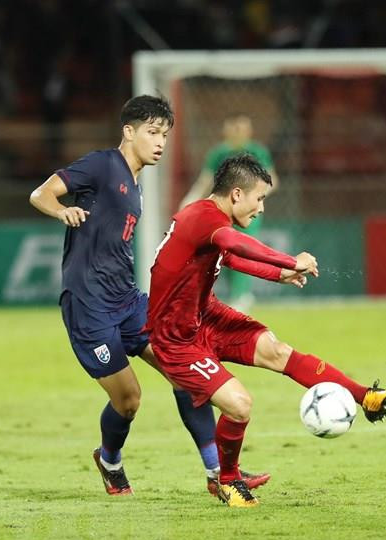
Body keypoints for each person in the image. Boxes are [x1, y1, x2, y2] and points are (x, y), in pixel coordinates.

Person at [29, 95, 269, 497]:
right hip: (89, 306)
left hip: (128, 300)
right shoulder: (103, 165)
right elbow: (41, 194)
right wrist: (62, 212)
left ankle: (217, 474)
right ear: (129, 131)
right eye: (152, 133)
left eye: (164, 135)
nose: (160, 142)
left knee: (187, 370)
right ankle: (109, 461)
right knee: (129, 401)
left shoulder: (136, 183)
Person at [146, 154, 386, 508]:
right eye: (260, 198)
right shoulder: (204, 217)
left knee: (277, 350)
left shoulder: (210, 218)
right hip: (175, 338)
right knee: (239, 405)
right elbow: (236, 246)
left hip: (205, 316)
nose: (262, 208)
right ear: (237, 194)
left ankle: (365, 397)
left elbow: (230, 257)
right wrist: (288, 260)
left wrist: (277, 274)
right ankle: (229, 480)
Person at [180, 113, 279, 312]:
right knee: (220, 251)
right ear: (226, 130)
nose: (238, 132)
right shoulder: (218, 154)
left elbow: (272, 181)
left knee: (243, 250)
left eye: (241, 128)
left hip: (246, 212)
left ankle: (240, 298)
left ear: (249, 131)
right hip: (222, 211)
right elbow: (205, 180)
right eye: (234, 128)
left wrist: (254, 200)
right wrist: (189, 199)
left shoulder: (257, 152)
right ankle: (231, 296)